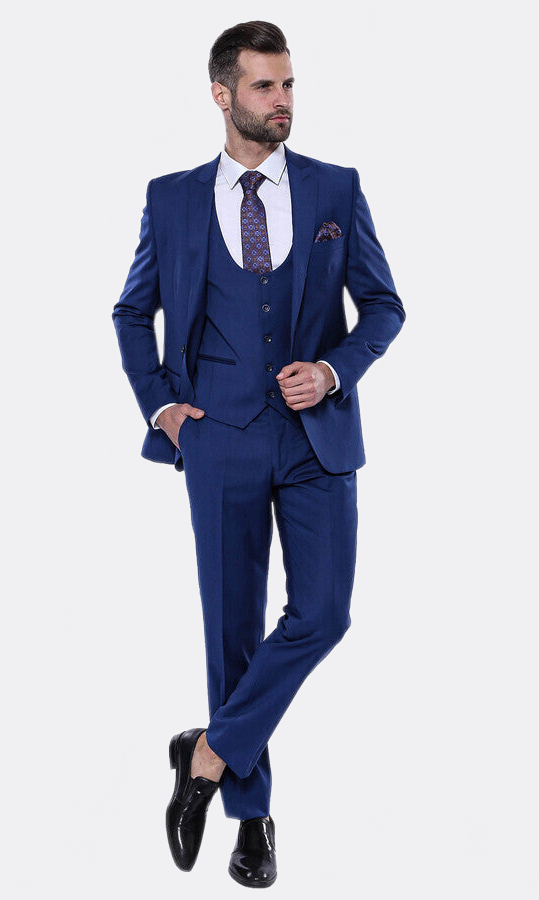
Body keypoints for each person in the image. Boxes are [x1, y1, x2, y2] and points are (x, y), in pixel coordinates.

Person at [112, 20, 405, 889]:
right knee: (232, 632)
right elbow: (131, 311)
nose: (283, 101)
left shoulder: (334, 188)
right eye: (265, 86)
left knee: (323, 614)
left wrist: (333, 368)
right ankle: (252, 818)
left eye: (289, 85)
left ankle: (206, 755)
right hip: (218, 438)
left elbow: (384, 305)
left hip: (317, 440)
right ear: (222, 94)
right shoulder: (171, 198)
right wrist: (164, 407)